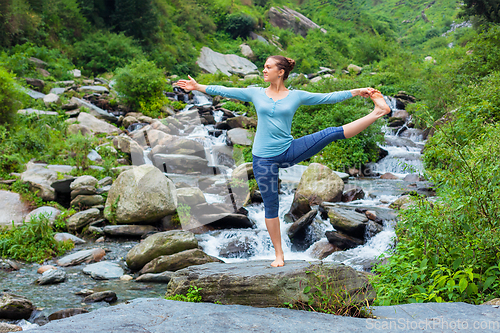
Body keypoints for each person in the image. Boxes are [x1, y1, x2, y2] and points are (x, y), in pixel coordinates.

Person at [177, 55, 390, 267]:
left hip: (289, 150)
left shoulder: (296, 96)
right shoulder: (255, 92)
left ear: (281, 72)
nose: (264, 70)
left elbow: (328, 97)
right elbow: (224, 90)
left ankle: (378, 112)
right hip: (263, 160)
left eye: (268, 67)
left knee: (331, 132)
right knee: (271, 207)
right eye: (263, 67)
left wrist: (357, 91)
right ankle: (279, 255)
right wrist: (197, 86)